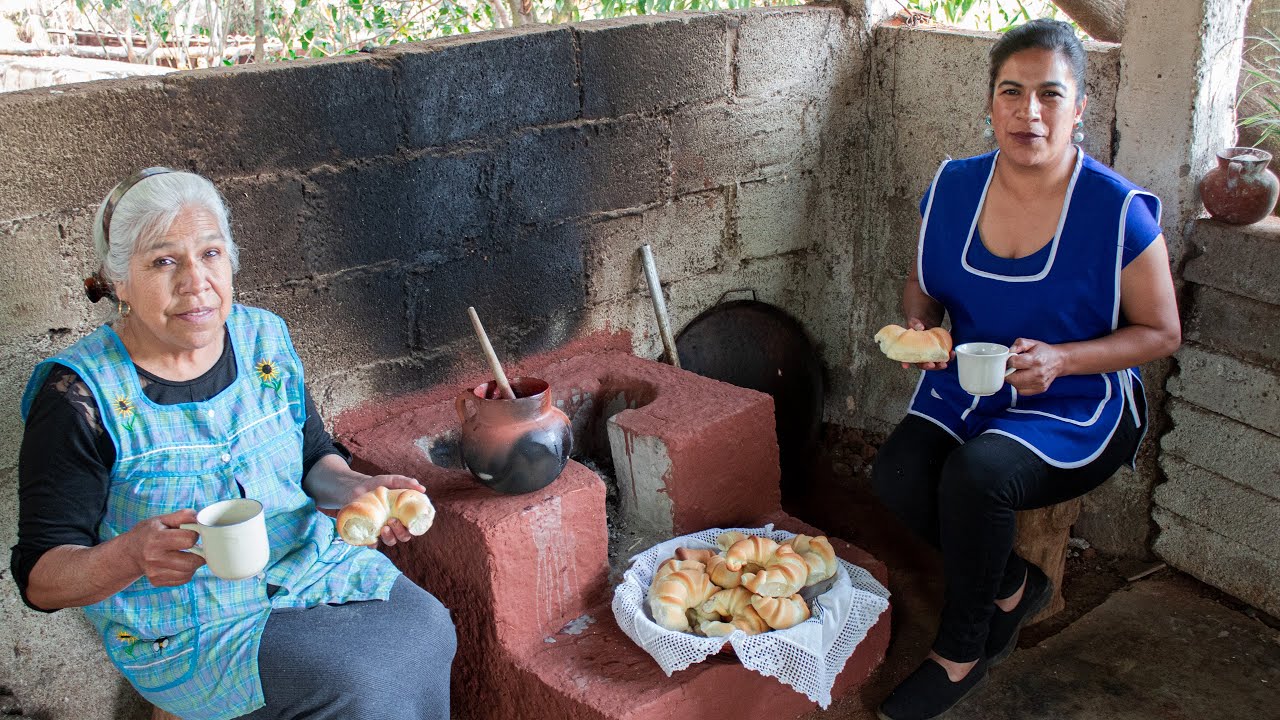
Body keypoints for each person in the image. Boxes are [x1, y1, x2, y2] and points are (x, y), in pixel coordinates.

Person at [12, 168, 457, 720]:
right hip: (189, 623)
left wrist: (358, 487)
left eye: (211, 254)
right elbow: (41, 579)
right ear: (118, 280)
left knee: (429, 627)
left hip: (307, 569)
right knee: (358, 681)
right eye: (163, 261)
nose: (196, 283)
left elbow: (312, 457)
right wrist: (130, 556)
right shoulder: (79, 395)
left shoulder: (263, 337)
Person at [870, 20, 1181, 720]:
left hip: (1081, 400)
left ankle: (962, 650)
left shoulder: (1117, 212)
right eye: (1011, 91)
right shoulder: (952, 188)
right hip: (974, 382)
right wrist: (921, 326)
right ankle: (1012, 583)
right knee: (894, 476)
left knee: (975, 477)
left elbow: (1162, 332)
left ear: (1078, 110)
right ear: (990, 103)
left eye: (1050, 94)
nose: (1028, 111)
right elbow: (922, 283)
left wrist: (1064, 358)